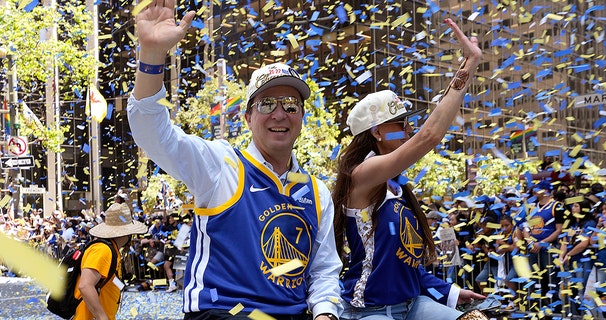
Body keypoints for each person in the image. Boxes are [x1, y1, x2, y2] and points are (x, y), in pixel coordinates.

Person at [127, 1, 342, 318]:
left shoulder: (317, 193)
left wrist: (325, 314)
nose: (279, 114)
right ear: (247, 117)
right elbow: (152, 133)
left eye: (291, 105)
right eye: (267, 104)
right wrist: (152, 55)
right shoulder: (220, 165)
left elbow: (323, 273)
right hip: (225, 312)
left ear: (302, 117)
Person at [332, 18, 484, 320]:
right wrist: (470, 64)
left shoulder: (396, 188)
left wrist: (452, 292)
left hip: (413, 305)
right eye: (400, 124)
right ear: (377, 133)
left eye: (408, 122)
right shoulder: (363, 174)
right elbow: (430, 136)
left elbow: (404, 261)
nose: (408, 129)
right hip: (371, 312)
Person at [75, 203, 148, 320]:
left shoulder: (111, 250)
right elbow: (85, 286)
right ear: (126, 233)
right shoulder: (103, 250)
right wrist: (102, 317)